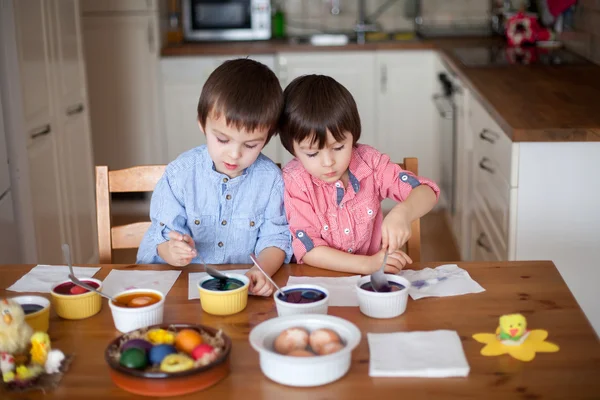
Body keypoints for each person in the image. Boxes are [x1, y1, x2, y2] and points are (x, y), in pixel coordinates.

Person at [137, 58, 292, 296]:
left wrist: (262, 270)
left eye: (250, 145)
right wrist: (171, 250)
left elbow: (276, 237)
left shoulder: (270, 180)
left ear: (268, 137)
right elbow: (162, 234)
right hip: (185, 293)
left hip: (243, 292)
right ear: (202, 124)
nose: (234, 154)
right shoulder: (180, 174)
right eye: (222, 139)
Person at [279, 74, 440, 274]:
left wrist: (403, 212)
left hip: (371, 283)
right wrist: (367, 264)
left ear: (353, 135)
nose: (328, 162)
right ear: (292, 149)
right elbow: (309, 249)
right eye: (312, 153)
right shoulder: (294, 181)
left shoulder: (369, 163)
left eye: (338, 147)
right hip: (319, 283)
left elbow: (428, 191)